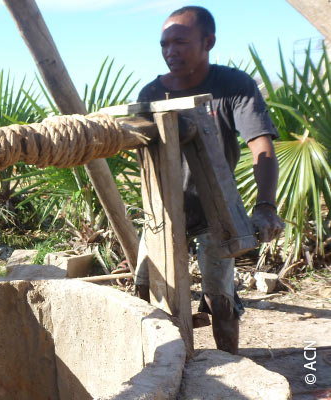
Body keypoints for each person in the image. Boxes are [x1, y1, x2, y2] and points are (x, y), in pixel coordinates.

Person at [133, 6, 285, 354]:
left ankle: (231, 370)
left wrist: (265, 205)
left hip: (216, 209)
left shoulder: (233, 86)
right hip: (164, 212)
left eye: (181, 42)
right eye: (164, 44)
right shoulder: (151, 94)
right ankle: (158, 365)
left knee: (220, 299)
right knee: (145, 289)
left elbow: (260, 143)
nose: (171, 51)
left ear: (208, 42)